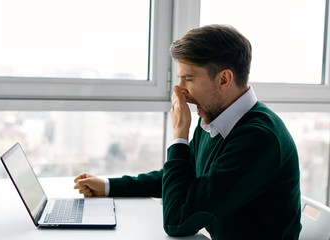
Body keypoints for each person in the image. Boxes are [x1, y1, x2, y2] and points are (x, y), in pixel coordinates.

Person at [74, 24, 302, 239]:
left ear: (224, 79)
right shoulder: (216, 119)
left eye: (188, 79)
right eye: (179, 78)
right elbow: (181, 176)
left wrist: (179, 134)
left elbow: (177, 221)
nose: (179, 90)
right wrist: (108, 185)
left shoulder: (259, 139)